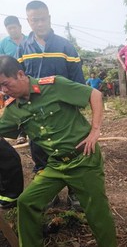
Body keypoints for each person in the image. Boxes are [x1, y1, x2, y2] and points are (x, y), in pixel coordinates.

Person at [0, 55, 117, 247]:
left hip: (83, 159)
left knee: (97, 212)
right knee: (27, 202)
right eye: (0, 87)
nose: (4, 91)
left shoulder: (54, 85)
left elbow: (94, 95)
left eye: (6, 84)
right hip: (55, 164)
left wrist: (95, 130)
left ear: (20, 74)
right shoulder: (13, 109)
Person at [16, 0, 85, 210]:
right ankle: (50, 193)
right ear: (28, 21)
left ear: (49, 18)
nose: (39, 23)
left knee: (71, 151)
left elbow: (77, 80)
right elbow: (19, 80)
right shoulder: (23, 49)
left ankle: (76, 194)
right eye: (34, 20)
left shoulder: (66, 46)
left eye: (42, 18)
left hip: (63, 112)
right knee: (40, 153)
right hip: (36, 114)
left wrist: (78, 105)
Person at [0, 15, 28, 144]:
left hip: (26, 80)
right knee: (15, 107)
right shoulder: (4, 44)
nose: (12, 31)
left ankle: (28, 130)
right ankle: (20, 132)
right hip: (10, 83)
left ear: (20, 27)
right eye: (9, 28)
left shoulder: (29, 41)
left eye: (14, 28)